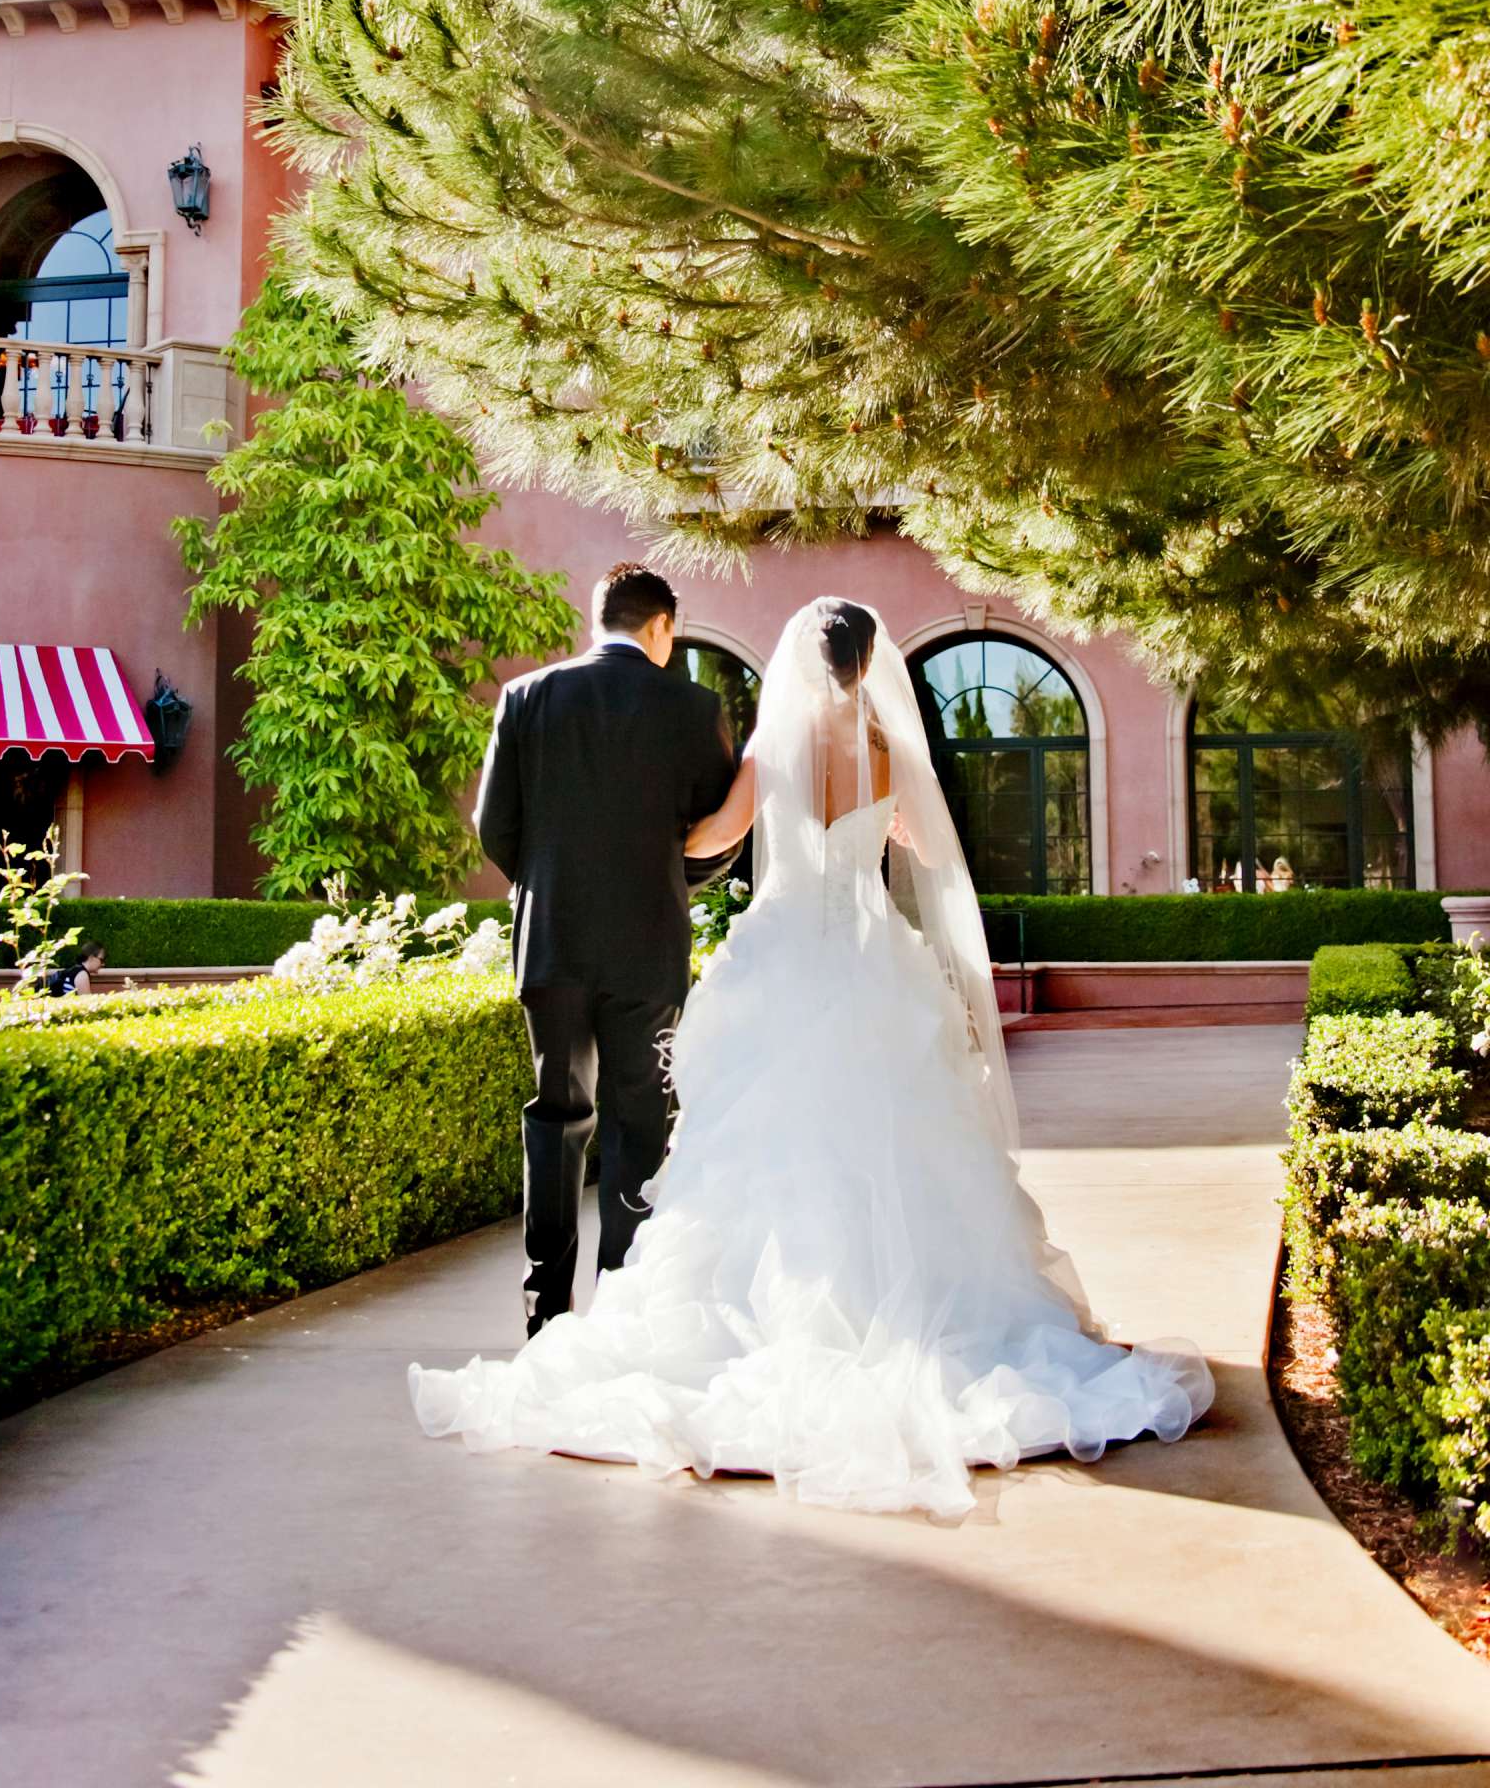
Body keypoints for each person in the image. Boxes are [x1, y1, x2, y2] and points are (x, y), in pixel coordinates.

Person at [411, 597, 1212, 1520]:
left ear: (802, 661)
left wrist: (628, 848)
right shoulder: (887, 751)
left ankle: (712, 1311)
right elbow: (921, 846)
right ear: (869, 666)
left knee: (743, 1146)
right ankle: (911, 1322)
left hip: (783, 958)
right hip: (872, 965)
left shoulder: (772, 743)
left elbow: (715, 835)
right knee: (894, 1145)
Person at [472, 561, 735, 1336]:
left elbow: (496, 826)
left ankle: (545, 1305)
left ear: (599, 619)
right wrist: (666, 880)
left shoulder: (527, 697)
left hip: (550, 942)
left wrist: (551, 885)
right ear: (661, 627)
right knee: (637, 1118)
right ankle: (624, 1301)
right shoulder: (692, 707)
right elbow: (718, 829)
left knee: (557, 1115)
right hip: (648, 947)